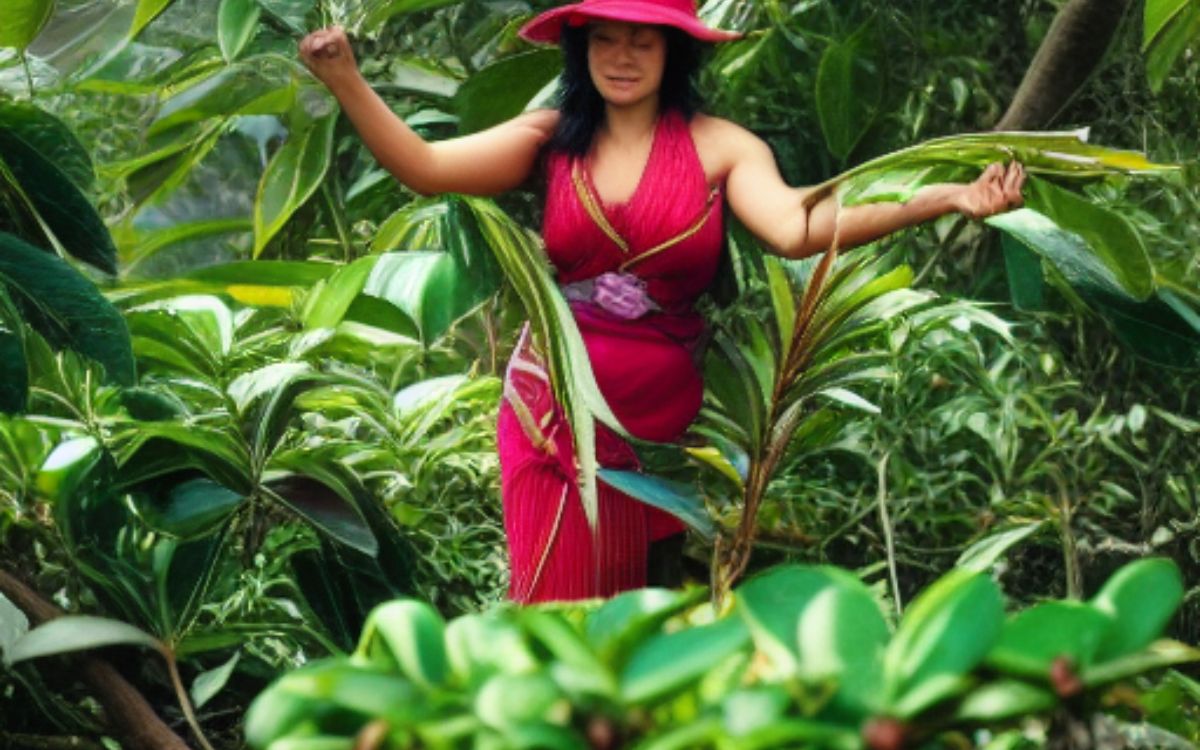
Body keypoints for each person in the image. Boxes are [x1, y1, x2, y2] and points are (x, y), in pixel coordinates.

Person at [298, 0, 1025, 604]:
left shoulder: (724, 148)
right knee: (558, 622)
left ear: (674, 52)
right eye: (605, 40)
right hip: (553, 416)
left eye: (642, 42)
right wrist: (346, 79)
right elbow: (427, 169)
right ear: (578, 49)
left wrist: (944, 196)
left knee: (634, 627)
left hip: (659, 436)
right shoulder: (550, 142)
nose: (621, 56)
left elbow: (798, 227)